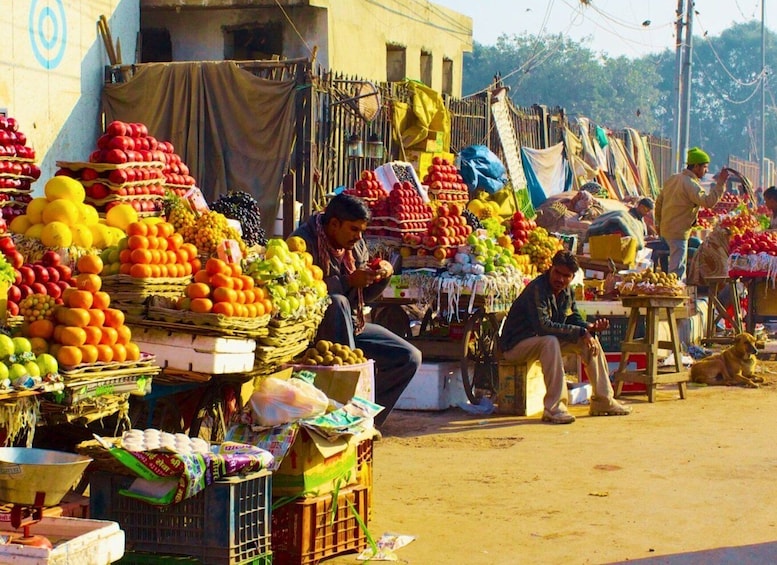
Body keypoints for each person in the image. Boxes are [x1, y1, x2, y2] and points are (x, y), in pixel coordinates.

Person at [292, 194, 421, 427]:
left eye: (361, 231)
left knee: (409, 358)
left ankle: (365, 419)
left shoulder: (355, 245)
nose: (358, 237)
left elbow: (361, 297)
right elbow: (301, 293)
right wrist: (347, 281)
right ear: (334, 224)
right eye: (353, 229)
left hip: (352, 325)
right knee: (337, 302)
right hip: (314, 330)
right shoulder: (303, 242)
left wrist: (380, 277)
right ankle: (347, 406)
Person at [499, 250, 631, 424]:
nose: (560, 279)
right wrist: (581, 332)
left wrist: (589, 328)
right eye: (557, 273)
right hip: (515, 346)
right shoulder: (537, 289)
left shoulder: (566, 291)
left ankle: (603, 400)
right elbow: (543, 326)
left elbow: (573, 317)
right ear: (550, 268)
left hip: (541, 342)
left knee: (590, 342)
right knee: (550, 341)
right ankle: (554, 408)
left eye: (566, 276)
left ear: (572, 277)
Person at [654, 147, 730, 280]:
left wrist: (658, 224)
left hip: (667, 230)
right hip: (678, 233)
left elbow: (659, 203)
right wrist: (721, 184)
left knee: (678, 262)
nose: (706, 171)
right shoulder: (690, 184)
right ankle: (675, 294)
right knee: (677, 270)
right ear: (695, 167)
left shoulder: (674, 178)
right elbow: (708, 202)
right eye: (705, 167)